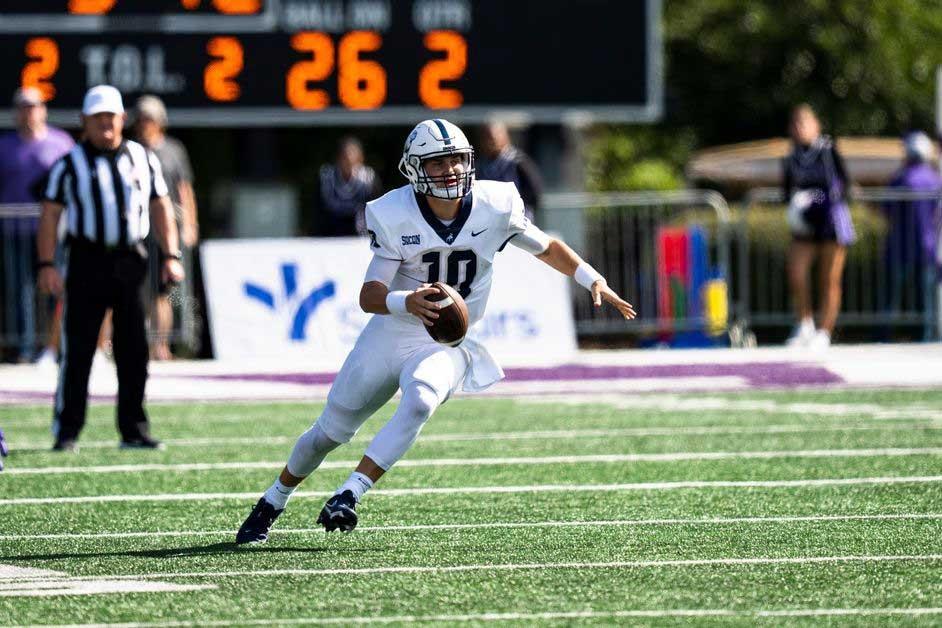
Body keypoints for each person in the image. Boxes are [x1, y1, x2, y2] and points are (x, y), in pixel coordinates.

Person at [235, 119, 636, 543]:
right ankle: (273, 500)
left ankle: (349, 493)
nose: (449, 170)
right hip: (393, 332)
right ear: (413, 168)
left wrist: (591, 277)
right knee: (328, 434)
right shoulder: (393, 212)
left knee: (422, 399)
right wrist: (405, 300)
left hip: (447, 338)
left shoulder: (495, 203)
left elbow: (546, 247)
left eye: (456, 160)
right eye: (437, 162)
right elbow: (369, 295)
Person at [36, 85, 184, 452]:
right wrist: (47, 263)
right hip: (87, 259)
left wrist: (171, 255)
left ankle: (133, 428)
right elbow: (50, 215)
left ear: (122, 119)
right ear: (85, 122)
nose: (106, 124)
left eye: (111, 116)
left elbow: (161, 205)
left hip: (130, 259)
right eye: (98, 117)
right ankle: (67, 430)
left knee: (134, 348)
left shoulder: (142, 157)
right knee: (79, 349)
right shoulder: (69, 164)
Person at [0, 87, 74, 362]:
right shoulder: (4, 146)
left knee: (57, 286)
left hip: (53, 231)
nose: (28, 112)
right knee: (20, 291)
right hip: (14, 232)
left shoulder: (61, 142)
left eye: (33, 106)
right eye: (23, 107)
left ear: (43, 110)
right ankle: (27, 348)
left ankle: (57, 346)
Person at [783, 104, 855, 349]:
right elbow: (787, 192)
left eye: (805, 122)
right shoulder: (790, 157)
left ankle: (825, 331)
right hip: (805, 225)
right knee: (797, 272)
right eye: (795, 123)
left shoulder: (827, 150)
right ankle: (804, 324)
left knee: (829, 278)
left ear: (816, 125)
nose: (799, 128)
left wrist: (826, 202)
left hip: (830, 222)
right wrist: (799, 207)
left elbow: (845, 183)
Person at [134, 95, 199, 361]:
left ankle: (162, 345)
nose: (144, 124)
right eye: (141, 119)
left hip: (168, 228)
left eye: (149, 119)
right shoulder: (132, 150)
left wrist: (191, 224)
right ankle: (144, 344)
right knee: (142, 290)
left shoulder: (174, 150)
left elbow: (185, 190)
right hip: (140, 228)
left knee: (165, 291)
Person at [884, 131, 942, 339]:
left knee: (891, 298)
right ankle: (926, 336)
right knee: (925, 299)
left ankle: (884, 334)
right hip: (927, 247)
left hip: (899, 248)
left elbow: (887, 210)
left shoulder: (901, 178)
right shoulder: (935, 179)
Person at [476, 120, 543, 220]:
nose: (491, 141)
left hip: (517, 220)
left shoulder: (519, 162)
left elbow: (534, 194)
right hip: (490, 222)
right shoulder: (481, 165)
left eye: (494, 137)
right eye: (487, 138)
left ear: (505, 136)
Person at [318, 136, 381, 236]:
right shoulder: (327, 178)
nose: (348, 162)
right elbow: (320, 211)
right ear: (338, 159)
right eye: (344, 158)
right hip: (331, 232)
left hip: (360, 233)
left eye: (352, 160)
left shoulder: (368, 178)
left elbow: (375, 210)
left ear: (360, 159)